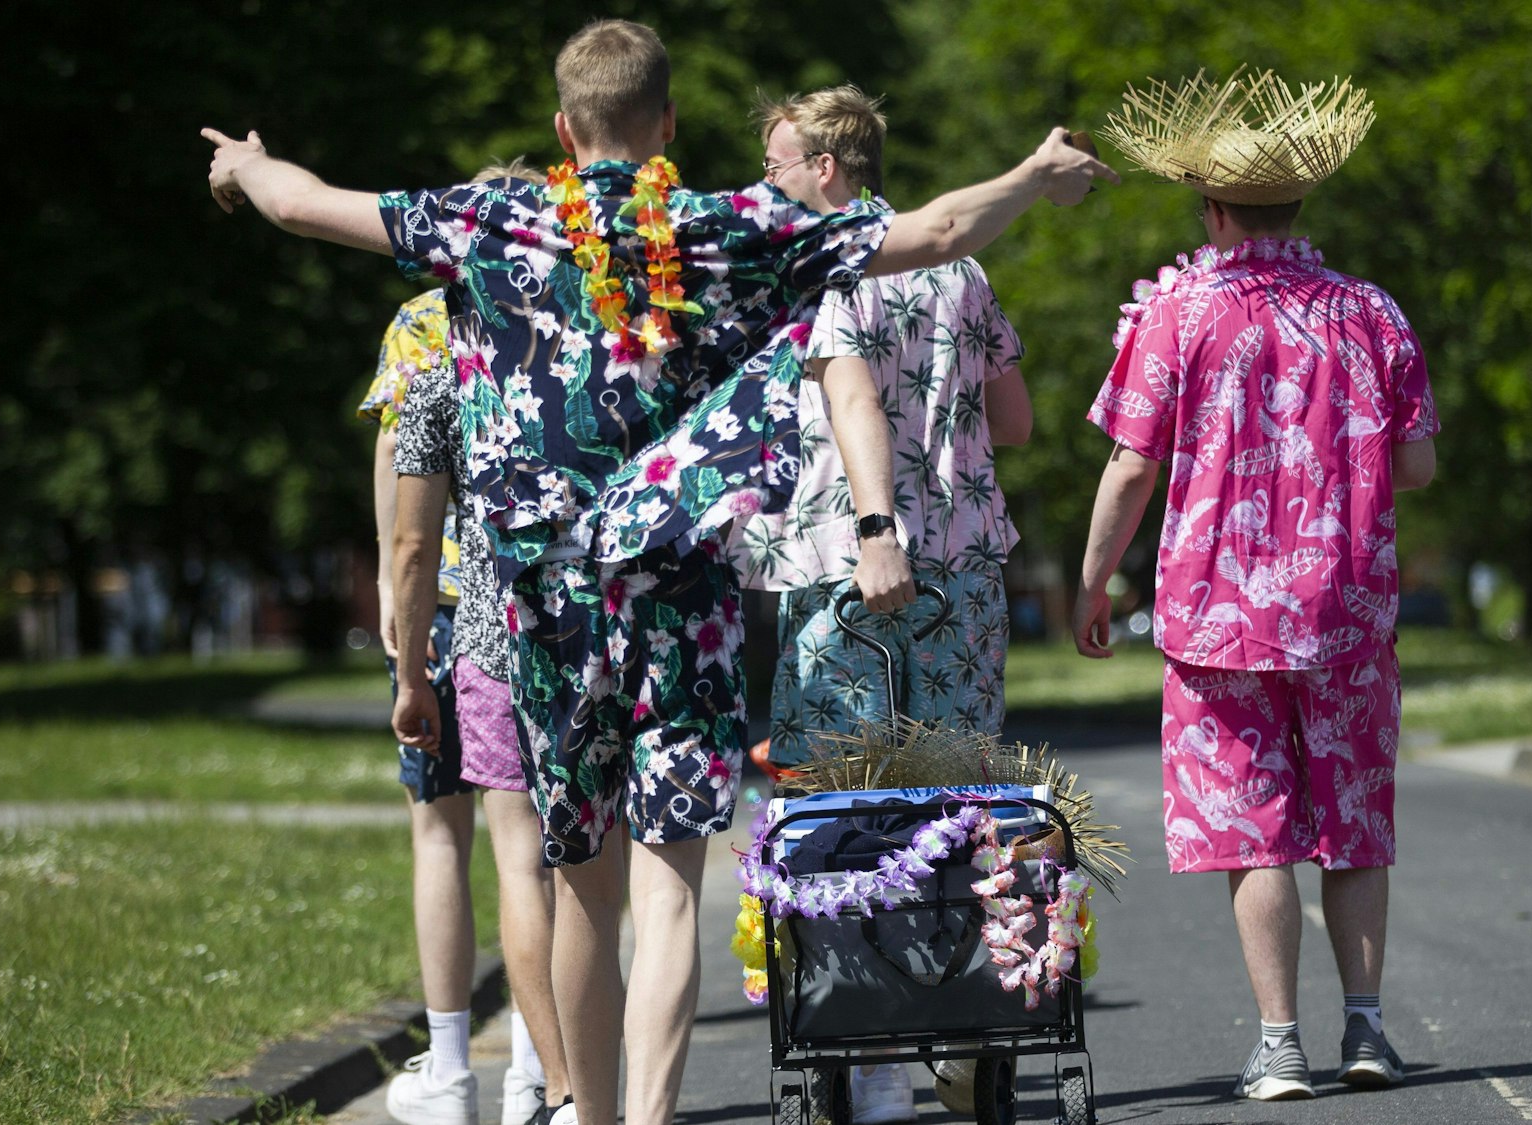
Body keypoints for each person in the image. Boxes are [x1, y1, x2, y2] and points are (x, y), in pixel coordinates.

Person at [201, 21, 1111, 1125]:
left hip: (545, 608)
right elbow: (936, 230)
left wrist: (246, 165)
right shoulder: (723, 227)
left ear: (562, 128)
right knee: (668, 888)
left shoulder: (486, 221)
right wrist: (1035, 172)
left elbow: (307, 206)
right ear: (668, 123)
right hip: (682, 602)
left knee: (581, 887)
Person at [1075, 69, 1437, 1101]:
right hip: (1345, 610)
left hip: (1215, 615)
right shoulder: (1370, 310)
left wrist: (1094, 581)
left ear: (1213, 209)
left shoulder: (1177, 312)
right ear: (1296, 203)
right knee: (1353, 822)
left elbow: (1131, 466)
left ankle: (1279, 1045)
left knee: (1254, 830)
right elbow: (1415, 465)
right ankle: (1366, 1030)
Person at [730, 84, 1032, 1125]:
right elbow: (1015, 419)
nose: (764, 184)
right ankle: (970, 1031)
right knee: (960, 797)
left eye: (775, 165)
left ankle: (868, 1056)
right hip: (964, 561)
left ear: (825, 169)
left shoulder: (819, 264)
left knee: (842, 801)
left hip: (843, 559)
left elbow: (851, 395)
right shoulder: (962, 264)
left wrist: (875, 521)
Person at [385, 163, 579, 1125]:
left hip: (471, 626)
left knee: (477, 849)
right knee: (572, 863)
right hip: (582, 626)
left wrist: (402, 643)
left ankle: (494, 1073)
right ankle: (544, 1079)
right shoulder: (587, 336)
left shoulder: (429, 350)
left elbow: (407, 529)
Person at [362, 281, 493, 1124]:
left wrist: (387, 582)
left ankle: (449, 1071)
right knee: (534, 848)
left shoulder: (422, 318)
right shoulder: (557, 293)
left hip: (437, 603)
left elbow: (392, 450)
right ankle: (543, 1078)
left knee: (440, 833)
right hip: (526, 600)